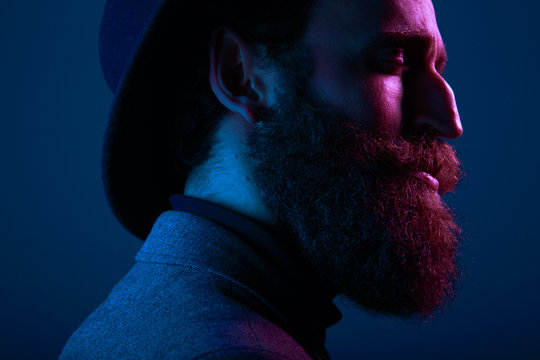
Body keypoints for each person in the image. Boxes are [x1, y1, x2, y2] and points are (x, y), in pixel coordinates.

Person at [60, 0, 465, 358]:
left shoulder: (143, 316)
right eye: (392, 58)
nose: (450, 121)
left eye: (437, 67)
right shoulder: (231, 349)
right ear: (241, 77)